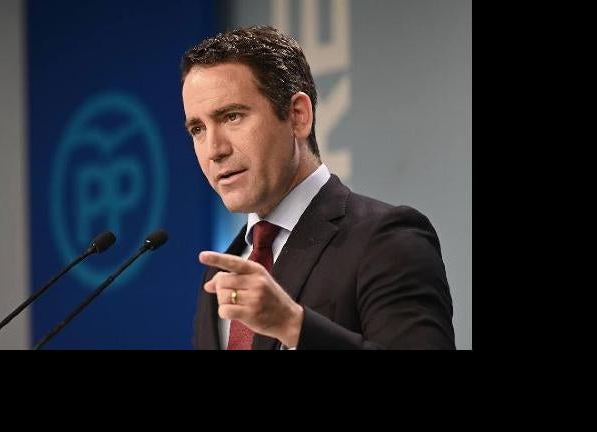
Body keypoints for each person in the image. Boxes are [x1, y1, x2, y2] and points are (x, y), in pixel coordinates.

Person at [181, 26, 455, 350]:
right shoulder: (219, 275)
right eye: (197, 129)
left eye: (232, 116)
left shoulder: (387, 240)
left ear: (298, 116)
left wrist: (293, 325)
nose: (214, 149)